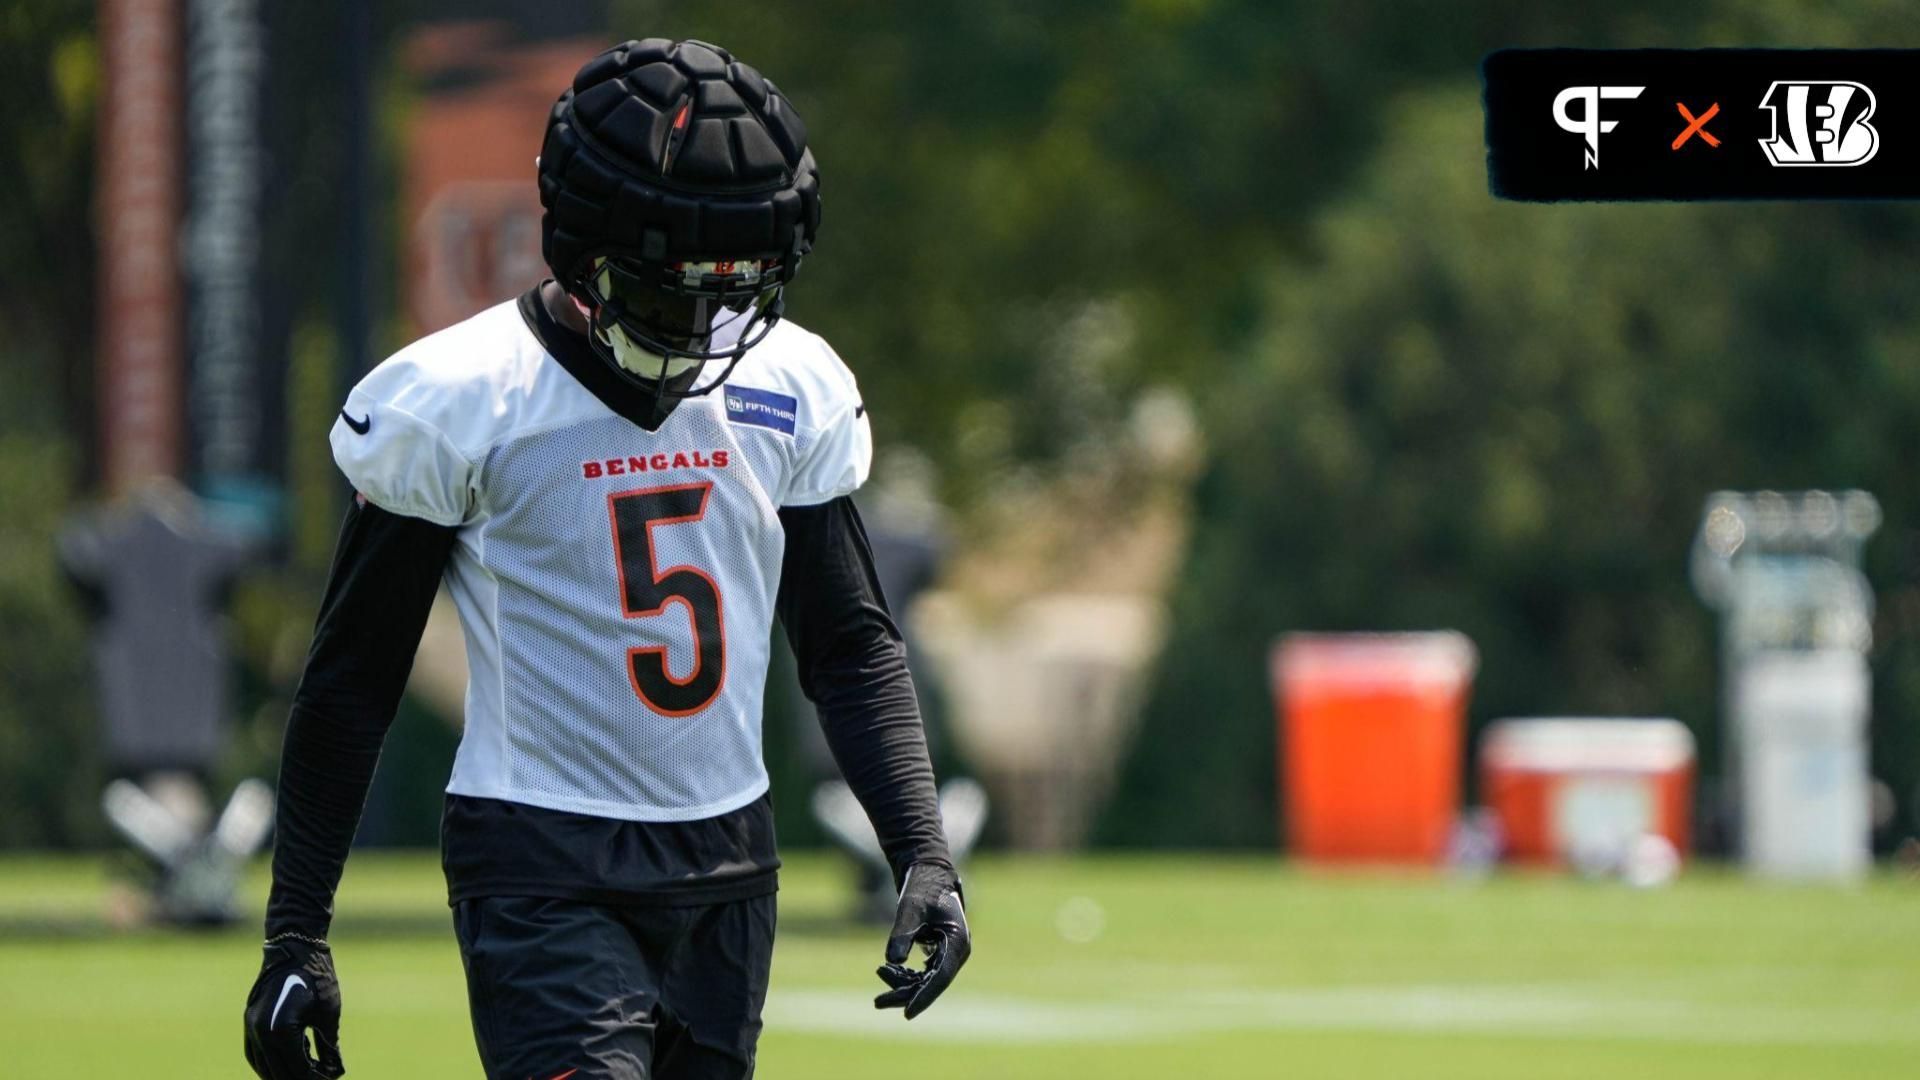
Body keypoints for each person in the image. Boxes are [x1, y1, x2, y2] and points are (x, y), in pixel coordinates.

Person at [242, 38, 969, 1080]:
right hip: (542, 862)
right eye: (671, 294)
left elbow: (850, 645)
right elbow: (353, 679)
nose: (702, 331)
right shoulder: (467, 401)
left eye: (727, 291)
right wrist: (297, 931)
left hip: (729, 865)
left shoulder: (787, 382)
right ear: (584, 256)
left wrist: (922, 850)